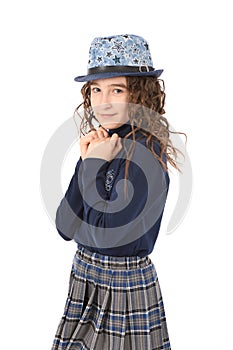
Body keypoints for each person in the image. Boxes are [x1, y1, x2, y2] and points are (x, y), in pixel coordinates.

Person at [51, 34, 180, 350]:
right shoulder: (105, 142)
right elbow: (66, 226)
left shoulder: (143, 154)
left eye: (117, 90)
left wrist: (94, 166)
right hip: (87, 278)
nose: (103, 101)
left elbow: (108, 239)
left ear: (139, 95)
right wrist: (87, 164)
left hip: (120, 288)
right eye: (96, 89)